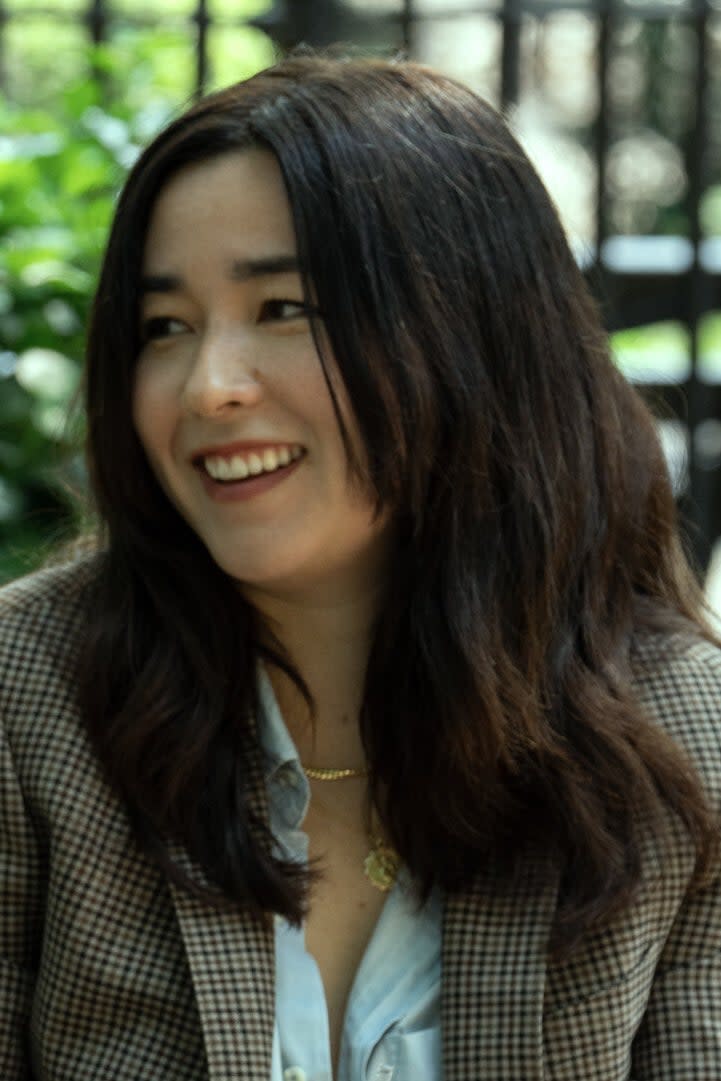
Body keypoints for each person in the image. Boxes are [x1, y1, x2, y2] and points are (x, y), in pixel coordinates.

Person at [1, 51, 719, 1081]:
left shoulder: (683, 737)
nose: (209, 386)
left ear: (466, 332)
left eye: (284, 309)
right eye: (165, 327)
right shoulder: (28, 698)